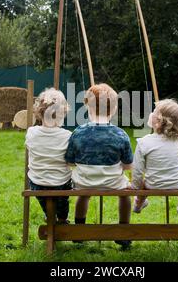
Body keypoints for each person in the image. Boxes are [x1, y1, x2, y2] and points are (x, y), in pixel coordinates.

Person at [65, 83, 133, 249]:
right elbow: (129, 165)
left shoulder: (78, 132)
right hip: (113, 183)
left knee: (83, 195)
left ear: (88, 106)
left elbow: (69, 161)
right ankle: (123, 231)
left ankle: (79, 230)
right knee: (125, 195)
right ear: (114, 109)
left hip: (84, 182)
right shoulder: (120, 134)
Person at [131, 99, 178, 220]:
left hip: (153, 184)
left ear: (159, 122)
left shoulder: (144, 142)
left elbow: (137, 170)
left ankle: (138, 203)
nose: (151, 113)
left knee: (142, 183)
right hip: (177, 183)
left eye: (154, 111)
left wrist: (136, 188)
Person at [25, 88, 72, 224]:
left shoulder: (31, 132)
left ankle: (49, 216)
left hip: (37, 182)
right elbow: (70, 160)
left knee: (45, 198)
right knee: (64, 198)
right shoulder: (67, 136)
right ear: (62, 113)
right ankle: (62, 219)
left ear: (40, 112)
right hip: (61, 183)